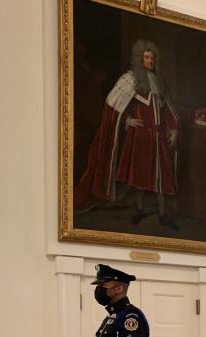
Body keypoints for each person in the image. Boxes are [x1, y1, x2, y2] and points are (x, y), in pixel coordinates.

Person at [73, 39, 181, 231]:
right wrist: (127, 121)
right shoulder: (129, 80)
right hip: (139, 137)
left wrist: (173, 130)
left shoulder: (159, 81)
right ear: (140, 59)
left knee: (162, 179)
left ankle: (164, 214)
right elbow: (116, 108)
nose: (151, 60)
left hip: (157, 137)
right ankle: (139, 210)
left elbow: (166, 110)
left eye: (153, 57)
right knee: (139, 178)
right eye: (147, 57)